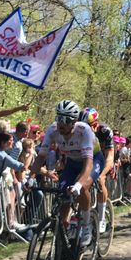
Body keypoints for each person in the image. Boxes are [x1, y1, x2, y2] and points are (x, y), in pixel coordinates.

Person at [32, 100, 102, 247]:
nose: (61, 123)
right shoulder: (52, 130)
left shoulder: (84, 131)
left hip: (93, 160)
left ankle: (86, 224)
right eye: (59, 118)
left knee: (82, 187)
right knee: (63, 193)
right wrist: (30, 178)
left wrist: (78, 185)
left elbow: (88, 164)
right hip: (72, 162)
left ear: (74, 121)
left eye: (66, 120)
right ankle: (64, 228)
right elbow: (41, 157)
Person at [78, 107, 115, 233]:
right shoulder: (78, 129)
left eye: (88, 126)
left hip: (103, 159)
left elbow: (110, 156)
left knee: (100, 181)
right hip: (87, 158)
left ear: (95, 125)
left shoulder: (105, 131)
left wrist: (103, 174)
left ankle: (102, 217)